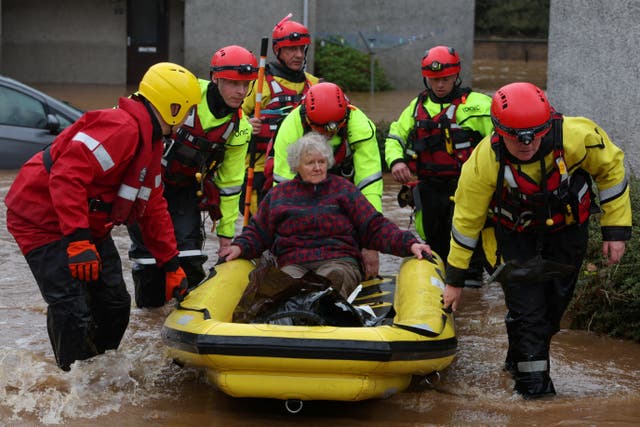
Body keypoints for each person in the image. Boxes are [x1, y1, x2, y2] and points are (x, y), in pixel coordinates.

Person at [4, 62, 201, 371]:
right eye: (189, 110)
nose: (190, 118)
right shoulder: (121, 128)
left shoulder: (151, 142)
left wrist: (171, 264)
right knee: (71, 309)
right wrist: (79, 241)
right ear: (173, 107)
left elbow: (153, 208)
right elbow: (67, 177)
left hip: (85, 224)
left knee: (115, 305)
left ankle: (97, 373)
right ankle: (68, 382)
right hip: (41, 219)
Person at [443, 82, 632, 398]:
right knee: (530, 312)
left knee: (550, 313)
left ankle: (516, 360)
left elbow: (611, 170)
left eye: (533, 134)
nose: (526, 143)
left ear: (547, 126)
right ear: (500, 131)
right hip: (512, 239)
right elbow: (465, 222)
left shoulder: (577, 136)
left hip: (566, 234)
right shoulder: (483, 162)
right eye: (516, 136)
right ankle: (535, 395)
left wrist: (615, 230)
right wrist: (455, 279)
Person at [219, 132, 432, 299]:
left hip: (338, 261)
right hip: (294, 262)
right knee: (287, 280)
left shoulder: (344, 190)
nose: (317, 167)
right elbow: (258, 231)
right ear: (297, 166)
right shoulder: (279, 195)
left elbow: (375, 226)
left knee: (333, 277)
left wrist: (410, 244)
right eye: (310, 163)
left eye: (321, 162)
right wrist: (239, 247)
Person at [127, 45, 258, 308]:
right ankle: (148, 321)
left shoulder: (240, 128)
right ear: (216, 78)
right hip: (146, 185)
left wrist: (225, 236)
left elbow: (230, 184)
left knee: (189, 258)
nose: (241, 92)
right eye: (234, 83)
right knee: (149, 260)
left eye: (247, 84)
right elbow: (136, 107)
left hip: (186, 190)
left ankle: (187, 317)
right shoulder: (186, 88)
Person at [385, 45, 493, 287]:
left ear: (456, 76)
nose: (440, 85)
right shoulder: (416, 107)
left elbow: (500, 143)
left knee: (469, 248)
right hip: (429, 189)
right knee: (435, 247)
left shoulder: (480, 105)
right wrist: (397, 161)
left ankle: (471, 296)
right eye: (434, 80)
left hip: (468, 189)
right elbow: (395, 136)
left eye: (445, 79)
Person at [270, 81, 383, 279]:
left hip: (343, 181)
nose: (326, 137)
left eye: (331, 132)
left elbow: (370, 186)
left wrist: (371, 244)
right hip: (302, 182)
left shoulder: (360, 126)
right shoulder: (290, 128)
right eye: (320, 131)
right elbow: (282, 191)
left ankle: (343, 261)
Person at [241, 13, 320, 213]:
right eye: (292, 49)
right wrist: (247, 123)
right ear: (278, 51)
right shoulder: (260, 82)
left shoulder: (314, 85)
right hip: (261, 170)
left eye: (301, 49)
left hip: (305, 171)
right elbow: (234, 114)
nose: (299, 55)